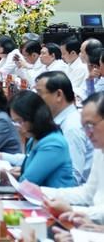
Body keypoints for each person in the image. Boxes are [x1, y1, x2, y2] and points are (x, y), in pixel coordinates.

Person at [0, 91, 75, 188]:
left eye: (20, 122)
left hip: (54, 200)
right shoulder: (34, 139)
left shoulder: (53, 144)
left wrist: (8, 175)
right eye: (15, 122)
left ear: (34, 118)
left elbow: (27, 183)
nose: (18, 127)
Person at [43, 91, 104, 223]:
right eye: (84, 127)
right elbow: (88, 193)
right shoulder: (100, 150)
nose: (88, 134)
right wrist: (42, 192)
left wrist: (71, 210)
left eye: (91, 125)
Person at [36, 71, 93, 184]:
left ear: (58, 95)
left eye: (39, 93)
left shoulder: (71, 127)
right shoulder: (59, 121)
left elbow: (73, 178)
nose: (36, 99)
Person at [62, 36, 89, 101]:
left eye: (63, 53)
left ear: (73, 53)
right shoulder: (69, 64)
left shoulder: (81, 67)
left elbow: (72, 89)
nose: (62, 56)